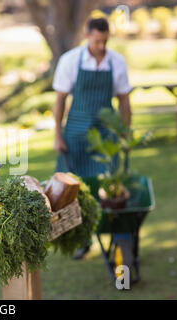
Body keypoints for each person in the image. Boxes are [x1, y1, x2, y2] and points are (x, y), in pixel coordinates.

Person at [52, 18, 132, 259]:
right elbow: (60, 100)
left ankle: (115, 233)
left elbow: (125, 101)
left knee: (109, 185)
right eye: (97, 41)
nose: (101, 46)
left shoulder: (116, 61)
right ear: (87, 35)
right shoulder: (70, 60)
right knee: (73, 189)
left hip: (106, 134)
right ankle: (79, 239)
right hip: (75, 133)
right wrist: (58, 134)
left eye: (105, 41)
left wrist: (124, 133)